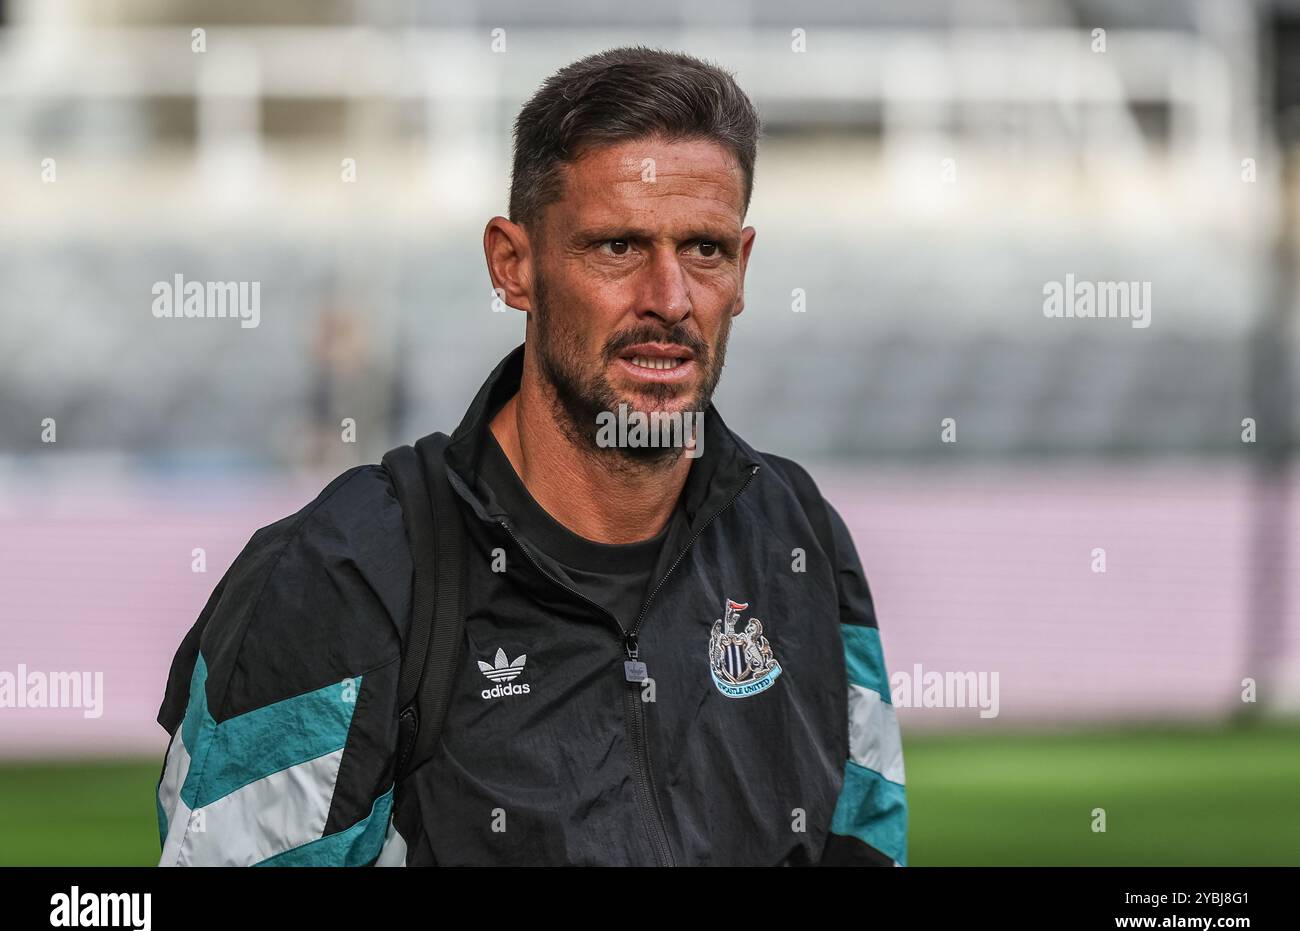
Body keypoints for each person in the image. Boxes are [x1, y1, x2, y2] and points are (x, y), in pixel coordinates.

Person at [154, 45, 907, 867]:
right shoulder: (338, 574)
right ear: (513, 266)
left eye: (704, 249)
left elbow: (866, 845)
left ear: (742, 268)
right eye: (618, 247)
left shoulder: (798, 540)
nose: (670, 299)